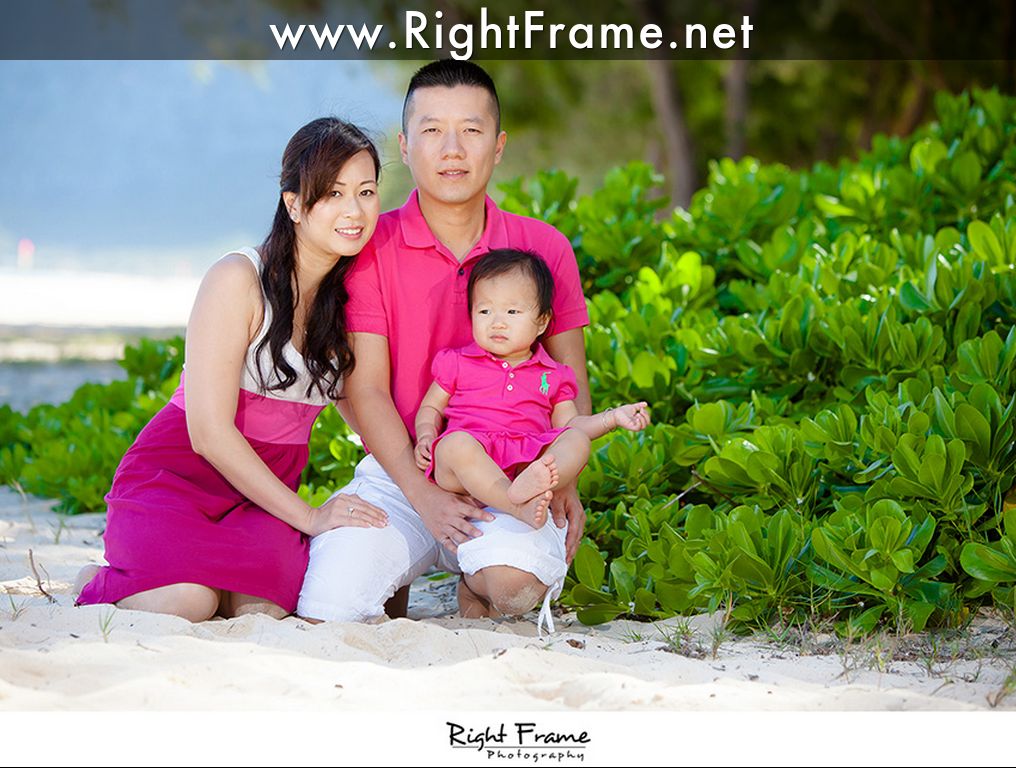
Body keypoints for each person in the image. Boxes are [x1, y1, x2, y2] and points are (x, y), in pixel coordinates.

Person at [298, 60, 592, 627]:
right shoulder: (369, 246)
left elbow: (571, 382)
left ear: (498, 145)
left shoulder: (545, 246)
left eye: (471, 130)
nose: (452, 149)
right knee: (330, 608)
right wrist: (424, 495)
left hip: (516, 471)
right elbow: (367, 391)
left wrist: (565, 480)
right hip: (402, 470)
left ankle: (473, 586)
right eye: (432, 130)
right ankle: (404, 571)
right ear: (405, 146)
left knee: (512, 590)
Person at [74, 118, 388, 622]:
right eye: (333, 193)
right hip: (176, 481)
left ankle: (201, 579)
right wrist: (310, 516)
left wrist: (417, 479)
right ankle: (96, 581)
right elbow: (208, 434)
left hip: (260, 499)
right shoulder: (238, 278)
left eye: (366, 192)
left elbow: (364, 407)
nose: (354, 211)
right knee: (187, 602)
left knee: (263, 611)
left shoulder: (355, 298)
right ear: (293, 204)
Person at [416, 249, 651, 551]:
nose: (497, 322)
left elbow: (569, 425)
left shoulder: (552, 375)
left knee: (577, 439)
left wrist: (612, 418)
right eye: (485, 311)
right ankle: (517, 504)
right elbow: (431, 406)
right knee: (455, 444)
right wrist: (426, 434)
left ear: (541, 322)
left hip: (525, 465)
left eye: (512, 312)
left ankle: (523, 489)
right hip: (466, 465)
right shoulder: (458, 362)